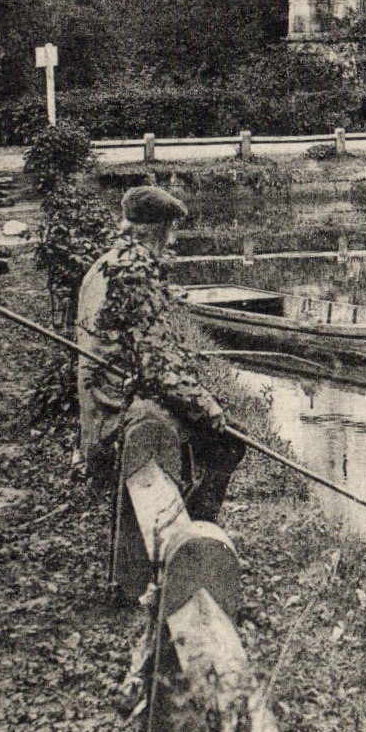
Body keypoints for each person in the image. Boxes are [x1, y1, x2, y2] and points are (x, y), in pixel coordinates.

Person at [76, 185, 243, 519]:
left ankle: (183, 509)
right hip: (115, 417)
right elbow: (159, 370)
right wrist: (208, 405)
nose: (172, 242)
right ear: (156, 231)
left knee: (197, 416)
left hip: (95, 409)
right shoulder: (135, 275)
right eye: (171, 231)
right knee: (231, 437)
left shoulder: (105, 264)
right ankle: (196, 531)